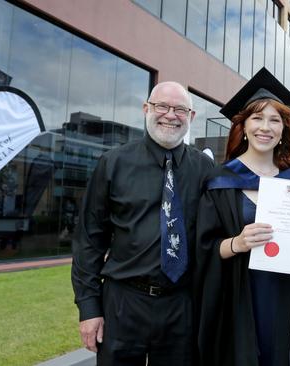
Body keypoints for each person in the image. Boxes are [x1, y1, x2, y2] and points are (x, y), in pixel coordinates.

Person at [71, 81, 213, 365]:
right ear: (146, 108)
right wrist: (89, 308)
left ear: (192, 117)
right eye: (162, 106)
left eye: (180, 109)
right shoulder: (113, 163)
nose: (170, 115)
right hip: (123, 303)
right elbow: (89, 241)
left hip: (181, 306)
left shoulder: (205, 170)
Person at [194, 67, 290, 366]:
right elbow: (204, 247)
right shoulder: (220, 181)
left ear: (284, 129)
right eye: (257, 118)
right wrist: (238, 243)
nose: (265, 127)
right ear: (243, 126)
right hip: (235, 296)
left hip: (285, 296)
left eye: (275, 120)